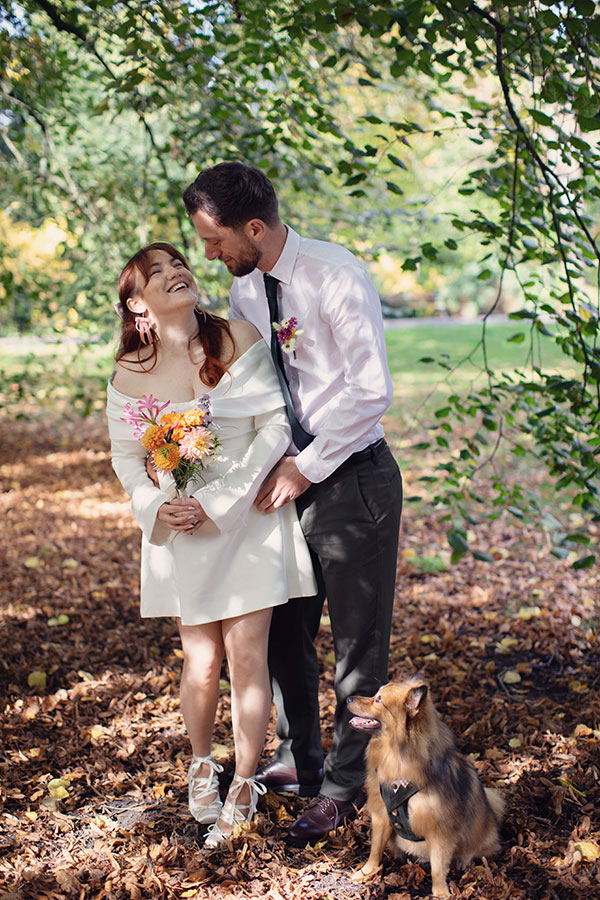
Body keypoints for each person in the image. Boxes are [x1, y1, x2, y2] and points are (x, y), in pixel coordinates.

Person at [181, 163, 403, 846]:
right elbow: (256, 386)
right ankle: (301, 760)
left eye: (215, 239)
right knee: (282, 633)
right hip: (280, 481)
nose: (208, 254)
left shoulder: (336, 276)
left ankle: (345, 786)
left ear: (254, 227)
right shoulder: (246, 287)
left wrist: (304, 469)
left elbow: (371, 389)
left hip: (351, 480)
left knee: (358, 649)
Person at [106, 241, 316, 848]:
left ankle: (245, 782)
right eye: (157, 272)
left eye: (179, 263)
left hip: (246, 518)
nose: (177, 272)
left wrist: (221, 501)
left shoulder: (237, 338)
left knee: (248, 658)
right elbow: (126, 458)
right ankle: (203, 764)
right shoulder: (128, 373)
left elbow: (272, 425)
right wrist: (155, 505)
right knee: (200, 663)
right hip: (181, 528)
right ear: (137, 304)